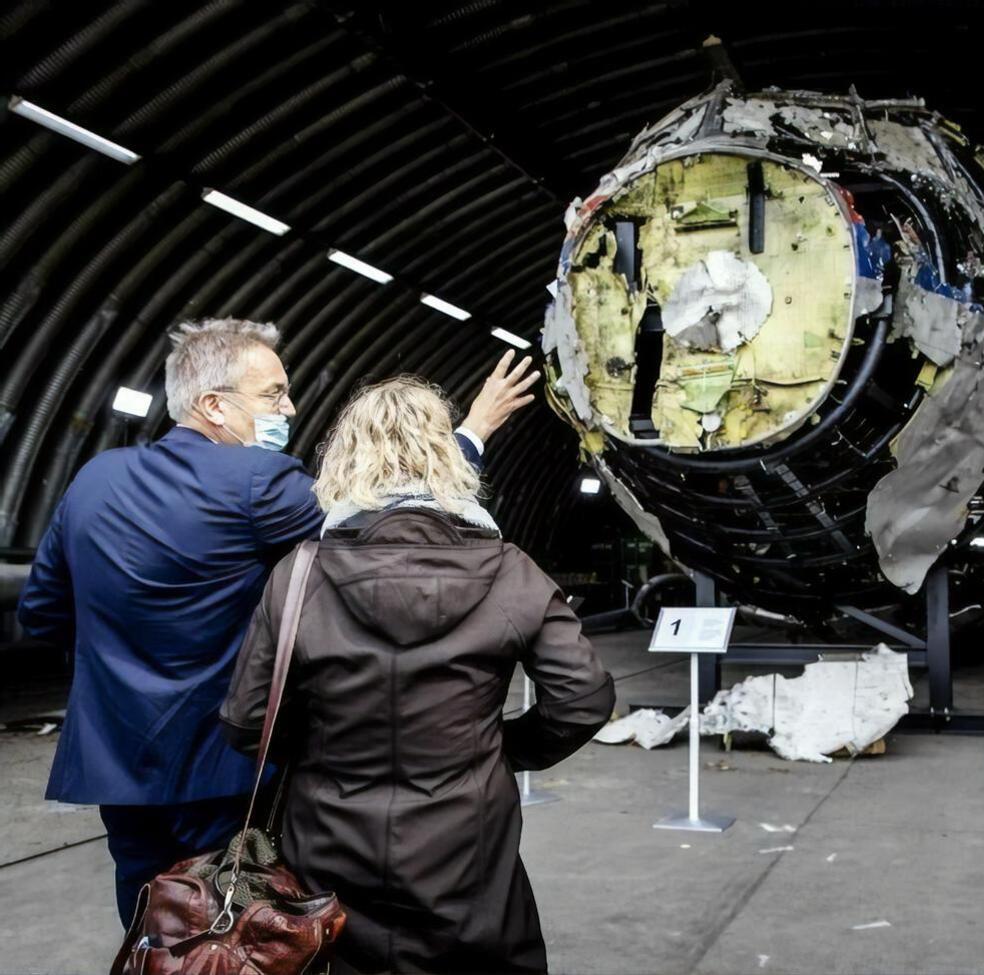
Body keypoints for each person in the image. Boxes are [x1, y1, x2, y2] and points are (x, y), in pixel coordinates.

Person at [16, 318, 539, 926]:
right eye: (273, 394)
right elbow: (383, 522)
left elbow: (43, 613)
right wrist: (471, 433)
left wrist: (121, 664)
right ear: (212, 404)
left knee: (148, 919)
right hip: (227, 760)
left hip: (115, 757)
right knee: (234, 926)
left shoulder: (93, 479)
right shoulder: (258, 481)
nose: (289, 407)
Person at [220, 376, 615, 975]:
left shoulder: (300, 575)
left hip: (327, 838)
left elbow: (247, 721)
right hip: (466, 838)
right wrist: (501, 750)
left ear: (345, 460)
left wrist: (329, 752)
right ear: (444, 456)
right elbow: (582, 698)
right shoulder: (510, 571)